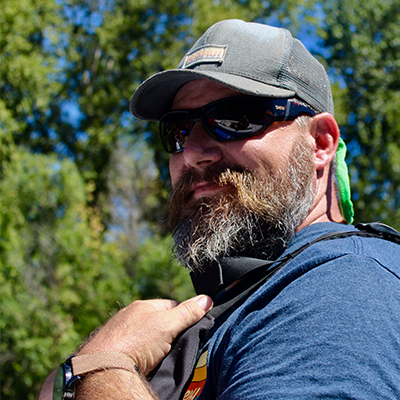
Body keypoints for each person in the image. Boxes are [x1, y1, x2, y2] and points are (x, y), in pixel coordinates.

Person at [40, 19, 400, 400]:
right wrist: (72, 375)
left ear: (321, 143)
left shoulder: (342, 288)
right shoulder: (239, 303)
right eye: (178, 130)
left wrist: (100, 368)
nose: (193, 153)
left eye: (235, 119)